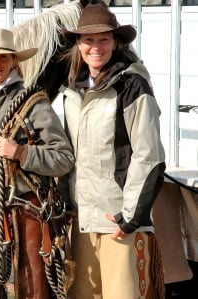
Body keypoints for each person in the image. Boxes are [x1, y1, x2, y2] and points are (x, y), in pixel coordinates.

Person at [0, 28, 75, 298]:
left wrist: (22, 154)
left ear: (13, 62)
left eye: (3, 58)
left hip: (26, 218)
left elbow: (64, 158)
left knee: (33, 293)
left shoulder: (33, 105)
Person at [59, 1, 166, 298]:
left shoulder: (132, 86)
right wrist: (68, 202)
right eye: (88, 40)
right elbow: (72, 154)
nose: (96, 47)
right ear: (78, 45)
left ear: (115, 42)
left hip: (118, 221)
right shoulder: (72, 91)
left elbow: (150, 156)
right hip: (82, 220)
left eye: (103, 39)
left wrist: (129, 217)